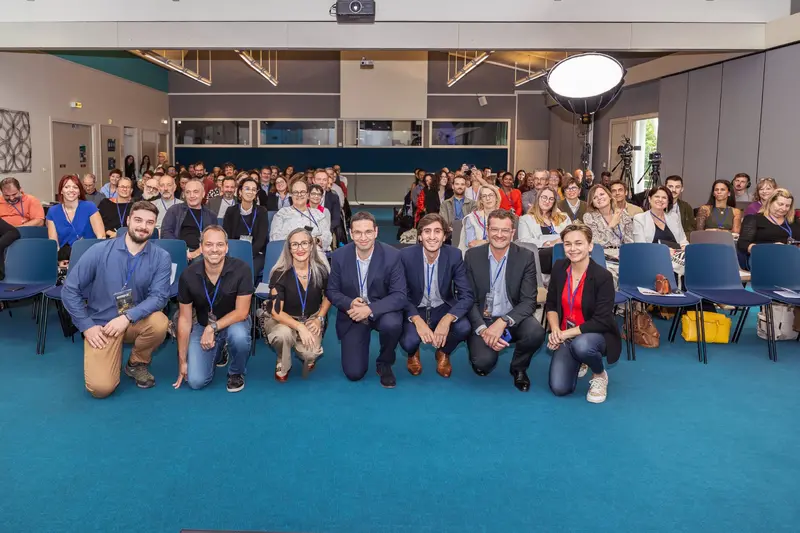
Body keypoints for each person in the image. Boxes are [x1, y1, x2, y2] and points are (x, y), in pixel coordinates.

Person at [61, 201, 171, 398]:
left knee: (160, 322)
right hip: (102, 326)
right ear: (128, 221)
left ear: (154, 226)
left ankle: (136, 363)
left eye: (149, 222)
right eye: (138, 220)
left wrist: (127, 317)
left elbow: (159, 297)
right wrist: (87, 326)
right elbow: (69, 290)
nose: (143, 226)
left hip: (135, 321)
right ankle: (110, 355)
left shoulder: (161, 257)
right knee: (101, 389)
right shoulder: (99, 251)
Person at [464, 209, 546, 392]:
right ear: (487, 230)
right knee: (483, 364)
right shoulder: (472, 256)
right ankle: (482, 350)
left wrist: (502, 322)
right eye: (494, 229)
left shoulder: (525, 257)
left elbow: (528, 301)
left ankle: (519, 367)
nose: (499, 235)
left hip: (511, 318)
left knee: (536, 333)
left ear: (512, 233)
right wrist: (484, 329)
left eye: (505, 230)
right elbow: (467, 298)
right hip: (483, 319)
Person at [327, 211, 407, 388]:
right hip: (353, 314)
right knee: (354, 373)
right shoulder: (339, 256)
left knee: (392, 324)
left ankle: (385, 362)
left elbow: (400, 295)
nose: (363, 237)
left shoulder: (392, 256)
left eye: (368, 232)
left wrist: (370, 309)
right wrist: (349, 302)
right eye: (358, 232)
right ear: (350, 233)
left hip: (381, 311)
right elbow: (331, 291)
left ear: (376, 232)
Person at [173, 226, 253, 393]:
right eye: (209, 244)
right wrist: (182, 361)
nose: (214, 250)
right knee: (195, 381)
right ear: (201, 247)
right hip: (202, 325)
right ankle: (220, 348)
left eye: (219, 244)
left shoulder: (242, 269)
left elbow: (242, 312)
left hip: (234, 322)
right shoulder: (188, 275)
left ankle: (236, 372)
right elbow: (185, 319)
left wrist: (213, 327)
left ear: (226, 247)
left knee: (239, 336)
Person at [546, 224, 620, 403]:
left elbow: (601, 321)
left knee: (582, 346)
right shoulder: (558, 268)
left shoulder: (603, 277)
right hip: (566, 333)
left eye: (578, 243)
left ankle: (599, 374)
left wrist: (564, 334)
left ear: (590, 246)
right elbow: (551, 304)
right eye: (567, 244)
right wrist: (555, 330)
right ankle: (581, 360)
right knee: (559, 388)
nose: (573, 249)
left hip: (594, 334)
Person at [399, 214, 473, 377]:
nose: (432, 237)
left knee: (463, 327)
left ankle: (443, 352)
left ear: (444, 236)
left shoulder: (454, 255)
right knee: (409, 341)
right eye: (427, 231)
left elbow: (467, 295)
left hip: (442, 307)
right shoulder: (405, 256)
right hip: (415, 307)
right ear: (420, 236)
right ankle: (412, 354)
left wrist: (448, 319)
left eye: (437, 231)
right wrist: (417, 320)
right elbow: (399, 294)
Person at [263, 228, 331, 381]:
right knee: (283, 335)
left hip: (310, 317)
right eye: (295, 245)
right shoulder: (279, 272)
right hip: (282, 319)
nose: (300, 249)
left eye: (304, 243)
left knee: (311, 354)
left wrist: (319, 318)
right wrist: (300, 327)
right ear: (289, 249)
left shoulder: (321, 270)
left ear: (312, 246)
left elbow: (329, 295)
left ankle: (304, 351)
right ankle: (282, 358)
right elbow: (276, 312)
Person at [46, 175, 105, 265]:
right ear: (61, 191)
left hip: (90, 257)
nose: (71, 190)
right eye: (67, 187)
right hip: (66, 258)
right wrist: (59, 261)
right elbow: (54, 243)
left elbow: (101, 237)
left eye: (75, 187)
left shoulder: (90, 207)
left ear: (79, 191)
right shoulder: (53, 211)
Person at [161, 179, 217, 263]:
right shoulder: (175, 210)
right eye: (188, 192)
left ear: (203, 194)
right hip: (178, 250)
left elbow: (215, 238)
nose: (191, 195)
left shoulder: (210, 215)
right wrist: (183, 250)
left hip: (202, 252)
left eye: (195, 192)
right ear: (184, 195)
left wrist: (198, 251)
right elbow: (166, 233)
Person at [518, 186, 571, 272]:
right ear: (538, 198)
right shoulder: (526, 219)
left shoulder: (564, 217)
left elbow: (571, 235)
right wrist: (548, 243)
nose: (547, 201)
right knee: (553, 252)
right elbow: (524, 241)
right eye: (544, 197)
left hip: (564, 251)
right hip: (540, 254)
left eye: (551, 199)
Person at [223, 177, 269, 277]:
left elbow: (261, 239)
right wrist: (236, 253)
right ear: (240, 192)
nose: (250, 192)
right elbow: (226, 237)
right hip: (234, 252)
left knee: (248, 271)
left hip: (256, 254)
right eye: (247, 188)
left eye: (253, 189)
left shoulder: (262, 211)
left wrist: (248, 254)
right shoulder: (231, 211)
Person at [270, 179, 332, 252]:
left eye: (302, 192)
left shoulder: (318, 214)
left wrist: (317, 240)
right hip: (288, 253)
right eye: (296, 192)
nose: (299, 195)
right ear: (291, 194)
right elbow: (273, 238)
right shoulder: (282, 214)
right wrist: (297, 239)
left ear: (308, 195)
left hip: (314, 253)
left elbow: (328, 237)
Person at [738, 188, 800, 261]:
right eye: (780, 204)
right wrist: (769, 249)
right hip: (764, 258)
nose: (783, 208)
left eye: (787, 206)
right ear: (770, 202)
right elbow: (742, 245)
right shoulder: (754, 219)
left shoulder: (794, 221)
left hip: (792, 258)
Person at [582, 184, 634, 248]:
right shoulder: (589, 217)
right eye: (595, 197)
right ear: (593, 204)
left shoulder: (622, 213)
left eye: (602, 194)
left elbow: (630, 239)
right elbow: (596, 242)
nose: (599, 198)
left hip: (623, 253)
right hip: (602, 254)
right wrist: (611, 226)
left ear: (609, 197)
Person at [460, 185, 500, 251]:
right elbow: (471, 244)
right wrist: (493, 242)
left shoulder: (504, 217)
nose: (488, 198)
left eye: (491, 195)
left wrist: (480, 242)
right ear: (481, 200)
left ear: (496, 198)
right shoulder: (471, 218)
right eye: (484, 196)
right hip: (477, 255)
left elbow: (507, 242)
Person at [313, 168, 342, 235]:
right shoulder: (306, 196)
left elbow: (336, 219)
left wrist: (325, 230)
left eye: (324, 180)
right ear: (314, 180)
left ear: (327, 181)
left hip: (327, 230)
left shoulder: (334, 197)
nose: (321, 182)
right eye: (319, 179)